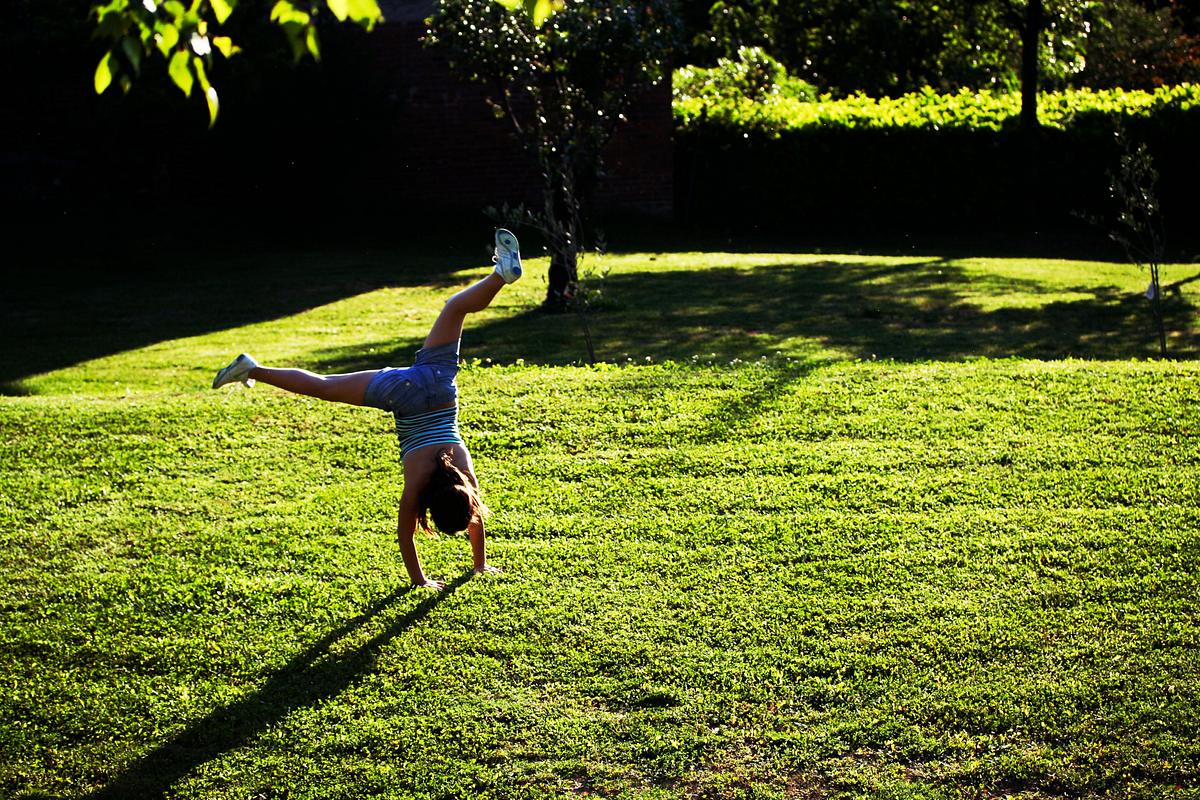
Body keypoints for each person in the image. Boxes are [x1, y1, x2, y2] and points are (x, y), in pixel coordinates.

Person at [211, 229, 524, 589]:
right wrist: (423, 580)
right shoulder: (419, 482)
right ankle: (250, 368)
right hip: (403, 396)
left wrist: (479, 564)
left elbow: (473, 516)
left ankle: (500, 276)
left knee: (455, 308)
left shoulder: (463, 476)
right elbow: (405, 539)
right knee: (322, 386)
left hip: (438, 387)